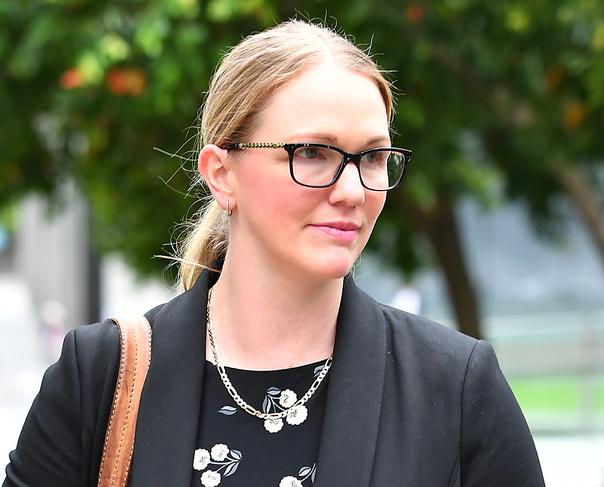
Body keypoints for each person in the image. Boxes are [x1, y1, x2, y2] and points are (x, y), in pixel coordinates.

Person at [3, 20, 545, 487]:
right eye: (312, 152)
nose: (353, 191)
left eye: (374, 157)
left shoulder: (456, 388)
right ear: (221, 174)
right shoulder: (97, 377)